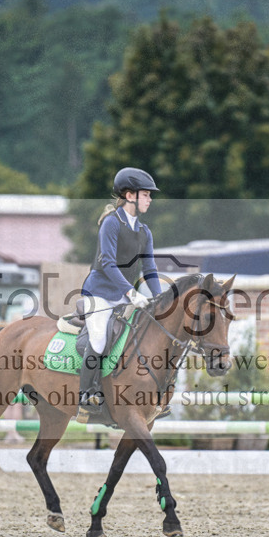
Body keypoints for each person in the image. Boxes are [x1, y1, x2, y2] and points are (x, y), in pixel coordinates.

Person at [77, 167, 163, 421]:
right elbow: (107, 264)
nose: (149, 199)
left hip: (125, 296)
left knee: (141, 338)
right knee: (100, 341)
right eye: (146, 194)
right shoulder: (111, 223)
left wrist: (159, 299)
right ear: (129, 195)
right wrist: (131, 292)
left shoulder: (144, 232)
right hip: (99, 292)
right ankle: (86, 396)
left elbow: (150, 269)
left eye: (149, 195)